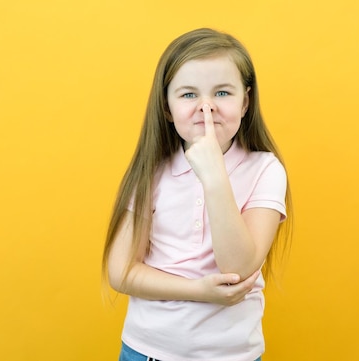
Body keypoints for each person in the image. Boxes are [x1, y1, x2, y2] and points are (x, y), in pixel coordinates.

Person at [102, 28, 292, 361]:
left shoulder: (266, 169)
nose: (207, 108)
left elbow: (239, 266)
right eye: (189, 95)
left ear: (245, 102)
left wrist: (214, 174)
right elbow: (121, 272)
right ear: (167, 107)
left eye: (222, 93)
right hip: (145, 352)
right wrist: (198, 291)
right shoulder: (151, 170)